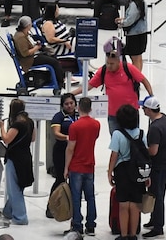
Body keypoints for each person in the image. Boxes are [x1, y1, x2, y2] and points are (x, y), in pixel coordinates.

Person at [84, 39, 153, 133]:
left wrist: (151, 97)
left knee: (133, 140)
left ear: (118, 62)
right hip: (113, 114)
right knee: (116, 141)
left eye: (112, 64)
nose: (109, 66)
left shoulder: (128, 68)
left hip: (130, 113)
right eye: (107, 63)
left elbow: (144, 81)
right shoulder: (103, 71)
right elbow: (88, 86)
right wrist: (71, 94)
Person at [107, 103, 150, 240]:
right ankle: (133, 235)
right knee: (136, 204)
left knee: (124, 205)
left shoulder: (117, 134)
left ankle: (124, 235)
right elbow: (146, 154)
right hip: (138, 171)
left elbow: (114, 155)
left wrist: (109, 172)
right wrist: (148, 175)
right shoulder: (141, 133)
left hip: (123, 171)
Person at [65, 96, 101, 235]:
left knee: (76, 196)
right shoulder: (96, 124)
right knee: (90, 196)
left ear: (78, 108)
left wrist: (66, 167)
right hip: (89, 165)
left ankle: (77, 224)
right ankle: (91, 225)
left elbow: (70, 148)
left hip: (76, 166)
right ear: (91, 108)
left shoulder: (74, 126)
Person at [1, 99, 35, 225]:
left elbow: (7, 139)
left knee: (13, 188)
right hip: (26, 156)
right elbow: (33, 138)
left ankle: (20, 217)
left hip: (15, 158)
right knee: (18, 186)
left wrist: (1, 127)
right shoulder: (30, 122)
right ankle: (8, 211)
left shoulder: (17, 124)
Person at [142, 96, 166, 238]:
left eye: (144, 108)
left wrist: (141, 150)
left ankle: (158, 226)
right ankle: (154, 220)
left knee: (157, 195)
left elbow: (153, 151)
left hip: (158, 166)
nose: (142, 109)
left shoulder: (155, 127)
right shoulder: (163, 119)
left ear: (149, 109)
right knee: (157, 193)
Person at [13, 15, 65, 88]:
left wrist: (36, 45)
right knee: (54, 62)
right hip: (29, 60)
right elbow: (25, 53)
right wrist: (36, 47)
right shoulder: (21, 37)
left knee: (52, 57)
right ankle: (59, 82)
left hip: (32, 56)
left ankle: (57, 79)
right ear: (28, 25)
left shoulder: (23, 34)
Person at [48, 94, 78, 216]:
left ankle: (69, 208)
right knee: (60, 179)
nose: (70, 106)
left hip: (76, 152)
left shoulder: (79, 115)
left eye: (71, 103)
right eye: (66, 104)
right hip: (61, 151)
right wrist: (68, 138)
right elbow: (56, 133)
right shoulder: (58, 117)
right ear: (62, 105)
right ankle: (51, 206)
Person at [117, 0, 148, 70]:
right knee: (139, 58)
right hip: (142, 34)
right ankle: (138, 77)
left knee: (134, 59)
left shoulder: (134, 5)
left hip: (134, 36)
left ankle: (135, 79)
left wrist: (121, 23)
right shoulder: (143, 3)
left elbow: (129, 21)